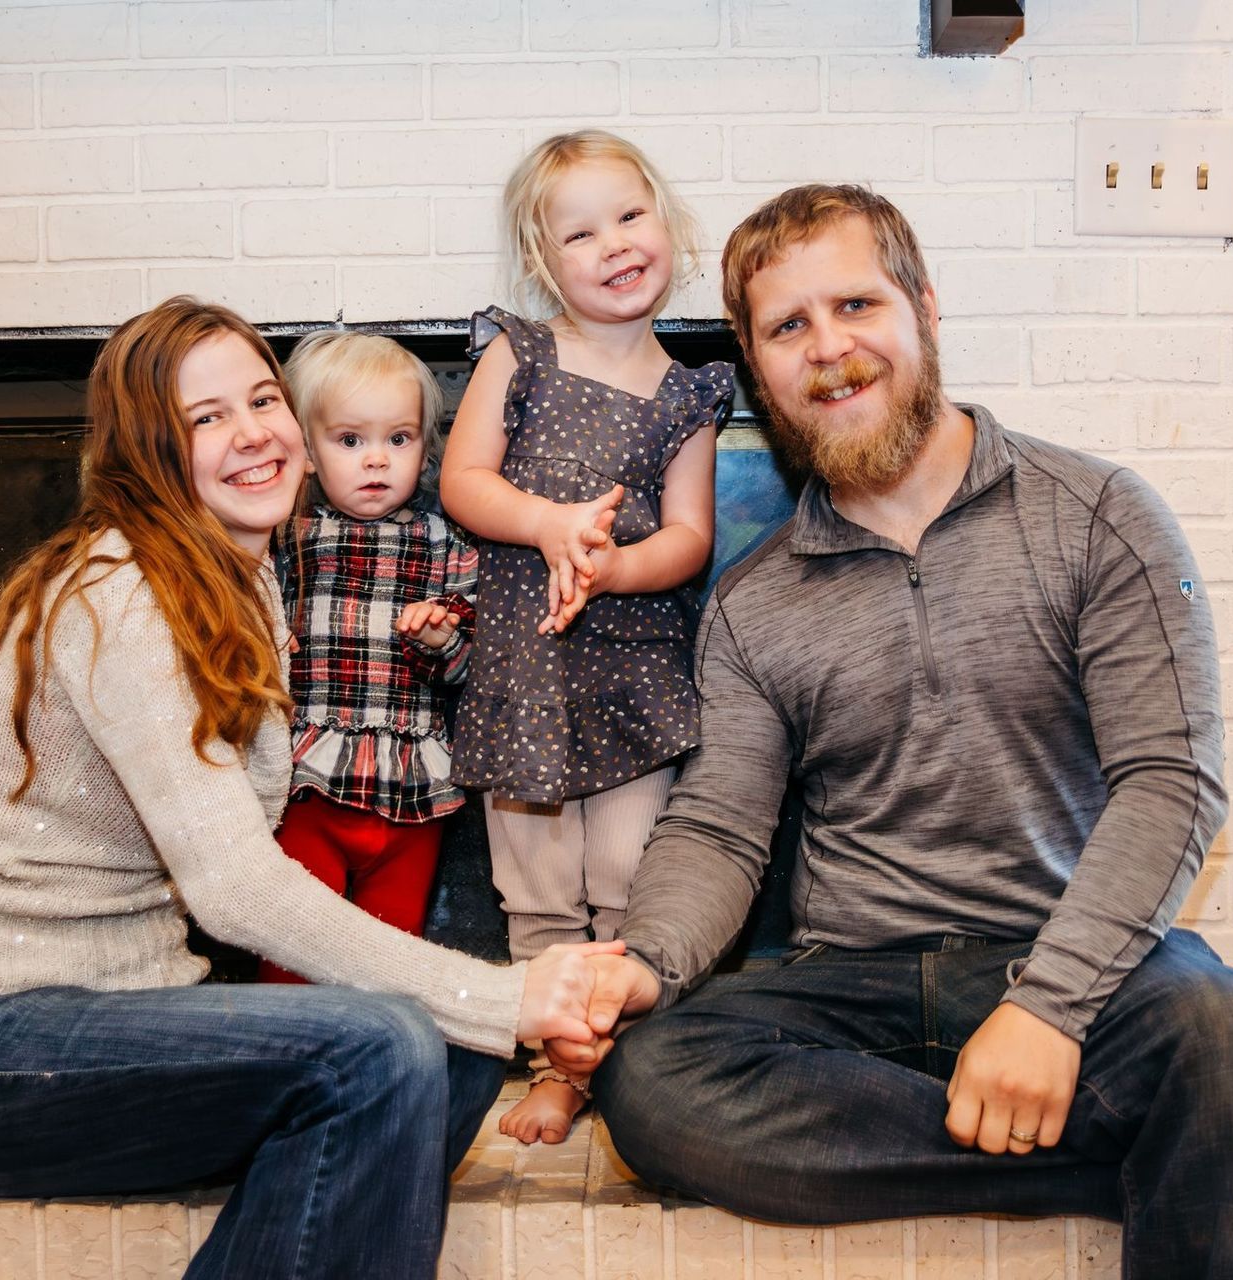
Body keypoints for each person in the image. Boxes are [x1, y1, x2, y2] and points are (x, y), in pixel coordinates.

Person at [547, 185, 1233, 1277]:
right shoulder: (752, 601)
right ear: (754, 364)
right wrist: (642, 962)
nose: (829, 350)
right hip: (856, 990)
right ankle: (1162, 1157)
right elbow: (723, 828)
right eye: (788, 326)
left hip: (1077, 958)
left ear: (925, 307)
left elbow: (1172, 783)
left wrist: (1049, 1010)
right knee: (652, 1080)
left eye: (856, 305)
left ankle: (1208, 1126)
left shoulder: (1099, 515)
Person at [0, 297, 620, 1280]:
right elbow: (233, 885)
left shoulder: (240, 576)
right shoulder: (125, 595)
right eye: (206, 417)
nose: (254, 431)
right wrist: (509, 991)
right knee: (400, 1039)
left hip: (109, 1018)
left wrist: (486, 1004)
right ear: (149, 451)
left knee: (453, 1044)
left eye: (262, 398)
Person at [439, 130, 734, 1144]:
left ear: (668, 224)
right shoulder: (517, 356)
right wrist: (550, 524)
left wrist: (611, 565)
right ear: (542, 259)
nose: (613, 242)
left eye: (630, 215)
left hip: (632, 676)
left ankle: (629, 1070)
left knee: (626, 882)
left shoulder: (688, 394)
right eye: (581, 231)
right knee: (536, 891)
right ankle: (554, 1068)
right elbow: (464, 480)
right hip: (524, 671)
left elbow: (690, 538)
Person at [256, 331, 478, 985]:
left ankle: (379, 1070)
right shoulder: (286, 538)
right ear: (305, 451)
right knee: (291, 946)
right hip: (309, 782)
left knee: (392, 961)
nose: (376, 460)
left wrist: (442, 641)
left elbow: (469, 668)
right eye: (350, 440)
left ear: (426, 447)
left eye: (398, 439)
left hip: (411, 786)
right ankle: (288, 1065)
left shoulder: (447, 545)